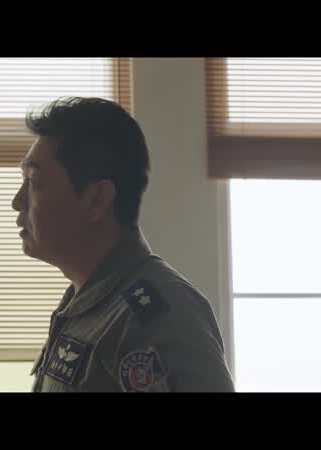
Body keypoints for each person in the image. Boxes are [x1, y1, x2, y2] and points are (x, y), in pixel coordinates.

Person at [12, 97, 234, 392]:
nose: (17, 201)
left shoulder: (157, 315)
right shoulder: (86, 302)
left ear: (96, 199)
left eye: (35, 182)